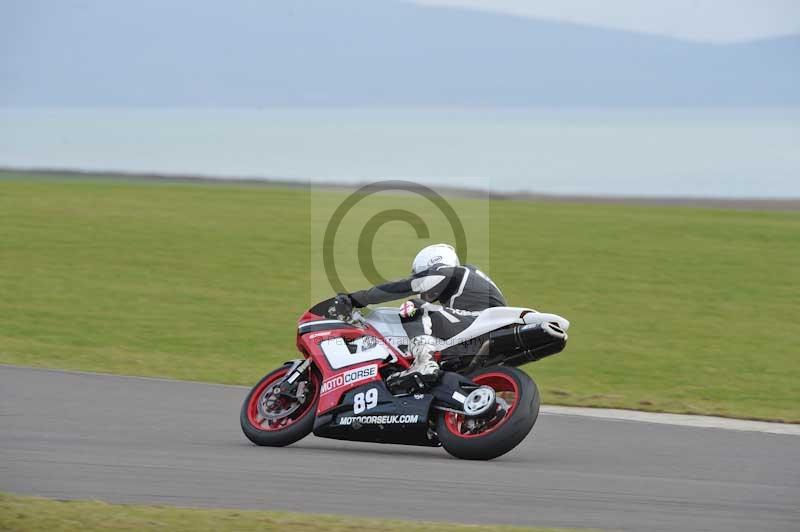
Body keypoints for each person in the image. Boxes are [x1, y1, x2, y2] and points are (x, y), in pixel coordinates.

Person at [333, 243, 506, 391]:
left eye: (420, 274)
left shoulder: (450, 271)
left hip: (480, 321)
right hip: (484, 329)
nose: (419, 279)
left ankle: (424, 361)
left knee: (413, 307)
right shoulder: (468, 282)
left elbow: (406, 286)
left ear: (433, 263)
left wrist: (357, 298)